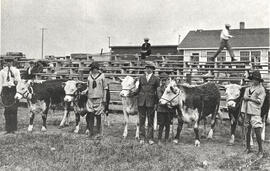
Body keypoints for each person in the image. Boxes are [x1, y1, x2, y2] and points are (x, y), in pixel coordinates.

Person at [241, 70, 266, 157]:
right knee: (247, 129)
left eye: (256, 79)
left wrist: (250, 99)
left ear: (259, 80)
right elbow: (244, 97)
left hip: (255, 111)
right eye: (253, 79)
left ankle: (260, 150)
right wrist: (245, 98)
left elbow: (260, 101)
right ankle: (248, 148)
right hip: (247, 110)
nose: (254, 81)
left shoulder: (261, 90)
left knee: (257, 129)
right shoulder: (248, 88)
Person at [137, 64, 159, 145]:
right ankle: (142, 137)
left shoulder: (156, 79)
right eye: (146, 68)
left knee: (150, 121)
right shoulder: (141, 78)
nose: (147, 69)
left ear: (153, 69)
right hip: (141, 102)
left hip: (151, 102)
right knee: (141, 121)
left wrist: (156, 103)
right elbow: (138, 89)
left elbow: (157, 92)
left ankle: (150, 138)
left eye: (149, 68)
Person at [84, 62, 108, 138]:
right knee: (91, 114)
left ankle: (98, 132)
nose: (94, 70)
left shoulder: (102, 76)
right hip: (90, 97)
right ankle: (91, 132)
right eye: (92, 69)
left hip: (99, 97)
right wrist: (85, 91)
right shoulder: (89, 76)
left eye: (95, 68)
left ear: (97, 69)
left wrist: (104, 98)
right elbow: (88, 86)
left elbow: (105, 88)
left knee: (98, 115)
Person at [0, 57, 21, 134]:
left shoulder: (16, 71)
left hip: (13, 90)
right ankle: (8, 128)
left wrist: (18, 92)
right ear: (5, 63)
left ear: (12, 62)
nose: (9, 63)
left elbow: (19, 82)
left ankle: (13, 128)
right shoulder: (2, 71)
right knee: (7, 110)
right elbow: (1, 83)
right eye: (7, 62)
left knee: (13, 109)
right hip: (5, 90)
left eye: (10, 62)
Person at [157, 72, 172, 144]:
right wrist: (168, 104)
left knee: (168, 125)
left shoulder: (170, 89)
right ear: (160, 81)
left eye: (165, 80)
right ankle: (159, 139)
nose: (164, 82)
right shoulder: (159, 89)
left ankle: (166, 138)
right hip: (161, 109)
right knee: (161, 125)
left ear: (167, 80)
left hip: (169, 110)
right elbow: (161, 99)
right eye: (162, 80)